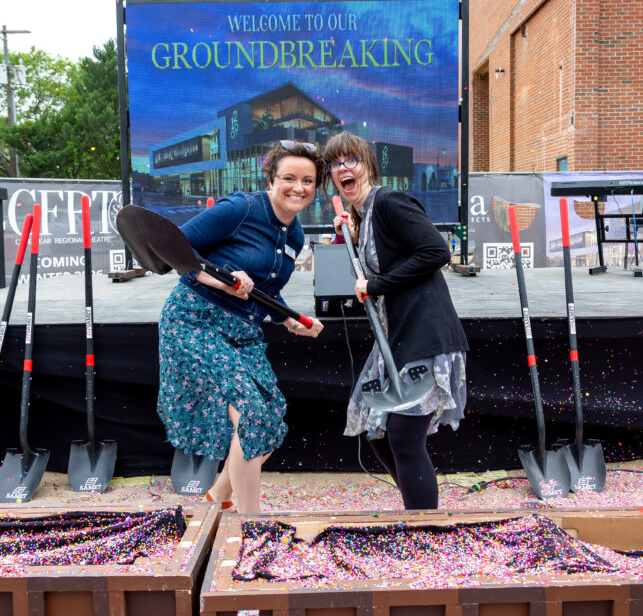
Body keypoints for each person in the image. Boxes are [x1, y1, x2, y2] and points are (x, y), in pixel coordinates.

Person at [158, 140, 326, 514]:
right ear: (271, 179)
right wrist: (220, 279)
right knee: (251, 416)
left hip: (244, 332)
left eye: (308, 181)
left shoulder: (295, 235)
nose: (298, 188)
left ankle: (216, 501)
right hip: (196, 320)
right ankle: (250, 525)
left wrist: (293, 320)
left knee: (268, 418)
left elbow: (265, 294)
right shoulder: (241, 209)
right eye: (289, 178)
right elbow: (174, 247)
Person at [326, 132, 468, 510]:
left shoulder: (389, 201)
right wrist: (347, 236)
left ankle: (424, 525)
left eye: (350, 160)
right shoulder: (362, 216)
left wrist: (377, 284)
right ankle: (416, 505)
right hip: (395, 337)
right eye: (335, 164)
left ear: (368, 165)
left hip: (424, 333)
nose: (343, 169)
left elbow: (437, 250)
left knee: (404, 437)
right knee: (376, 432)